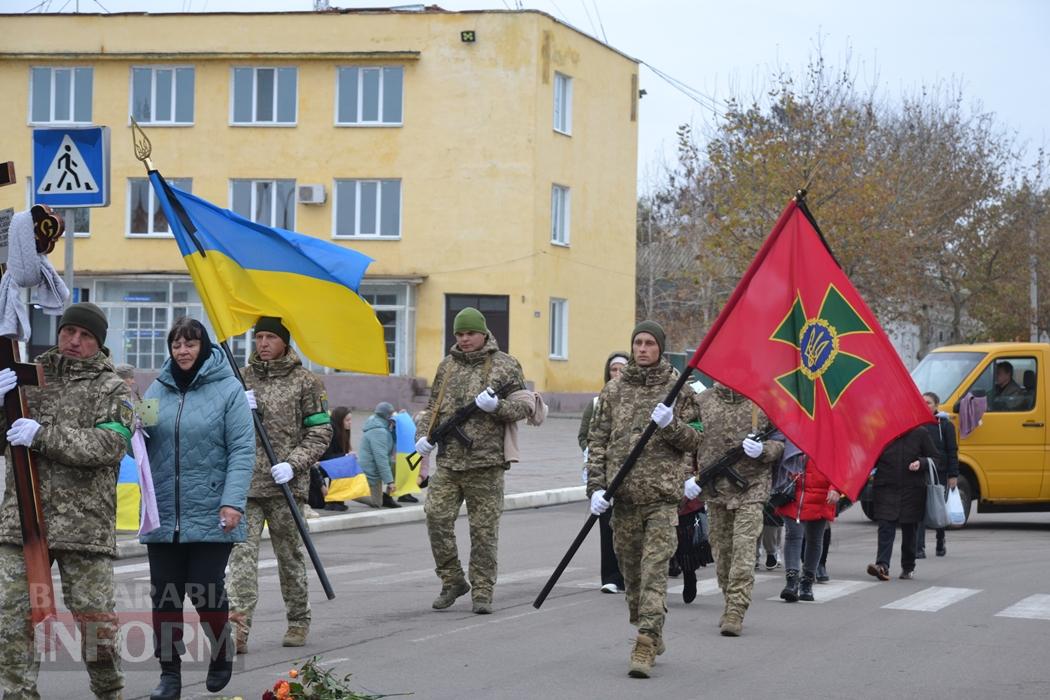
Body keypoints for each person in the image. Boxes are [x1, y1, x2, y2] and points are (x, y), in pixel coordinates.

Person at [0, 303, 131, 699]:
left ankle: (110, 691)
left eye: (85, 335)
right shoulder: (28, 376)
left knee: (97, 627)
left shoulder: (112, 389)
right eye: (68, 331)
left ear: (99, 343)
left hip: (84, 527)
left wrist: (43, 435)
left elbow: (109, 445)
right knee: (10, 620)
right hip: (22, 518)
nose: (74, 341)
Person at [140, 317, 255, 699]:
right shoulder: (157, 389)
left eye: (190, 344)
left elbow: (242, 450)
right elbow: (142, 441)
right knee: (166, 596)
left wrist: (232, 500)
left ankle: (222, 649)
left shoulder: (228, 390)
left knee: (205, 589)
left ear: (203, 347)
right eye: (176, 345)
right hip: (164, 513)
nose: (183, 351)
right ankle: (169, 675)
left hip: (212, 510)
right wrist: (129, 424)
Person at [587, 320, 701, 678]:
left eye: (649, 343)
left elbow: (696, 439)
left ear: (660, 348)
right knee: (631, 574)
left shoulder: (678, 390)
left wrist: (672, 425)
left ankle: (646, 641)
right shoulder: (614, 390)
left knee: (653, 571)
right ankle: (648, 624)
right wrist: (595, 490)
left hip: (662, 499)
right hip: (623, 499)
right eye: (637, 342)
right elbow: (598, 442)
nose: (642, 348)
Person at [227, 317, 333, 652]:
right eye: (258, 337)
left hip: (286, 484)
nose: (262, 343)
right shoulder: (240, 378)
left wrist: (293, 463)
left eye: (270, 336)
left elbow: (320, 432)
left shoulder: (306, 382)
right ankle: (238, 628)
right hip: (246, 484)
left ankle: (299, 620)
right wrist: (237, 409)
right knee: (242, 560)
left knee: (290, 556)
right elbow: (222, 424)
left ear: (284, 341)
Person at [414, 307, 528, 616]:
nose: (464, 340)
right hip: (449, 461)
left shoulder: (506, 365)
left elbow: (524, 408)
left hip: (487, 463)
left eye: (469, 334)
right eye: (459, 334)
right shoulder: (447, 366)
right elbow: (432, 407)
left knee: (483, 531)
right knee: (435, 517)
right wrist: (423, 436)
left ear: (483, 333)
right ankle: (452, 580)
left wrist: (496, 407)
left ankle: (482, 590)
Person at [696, 383, 784, 637]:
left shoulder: (762, 401)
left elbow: (781, 441)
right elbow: (686, 441)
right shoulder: (702, 401)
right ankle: (729, 598)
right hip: (715, 491)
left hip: (752, 488)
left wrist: (765, 450)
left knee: (744, 550)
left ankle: (736, 609)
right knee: (722, 553)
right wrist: (687, 478)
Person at [578, 351, 628, 594]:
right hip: (606, 472)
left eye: (622, 369)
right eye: (613, 370)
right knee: (607, 523)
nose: (617, 374)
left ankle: (631, 573)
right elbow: (585, 435)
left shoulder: (635, 399)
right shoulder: (597, 402)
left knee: (631, 525)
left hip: (633, 473)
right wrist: (592, 452)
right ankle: (610, 576)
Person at [866, 427, 940, 581]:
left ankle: (908, 566)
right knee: (885, 527)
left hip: (912, 490)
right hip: (886, 487)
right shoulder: (882, 431)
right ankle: (882, 565)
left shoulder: (920, 433)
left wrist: (921, 463)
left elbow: (936, 459)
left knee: (909, 530)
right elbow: (869, 457)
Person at [774, 442, 840, 603]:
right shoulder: (794, 432)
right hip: (792, 494)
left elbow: (841, 466)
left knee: (815, 539)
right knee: (793, 535)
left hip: (821, 495)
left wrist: (836, 488)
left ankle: (807, 582)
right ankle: (791, 582)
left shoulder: (830, 438)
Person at [916, 391, 959, 558]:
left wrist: (953, 474)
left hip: (940, 472)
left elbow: (952, 451)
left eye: (928, 403)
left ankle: (940, 541)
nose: (925, 405)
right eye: (923, 402)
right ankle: (919, 547)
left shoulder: (946, 425)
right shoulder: (916, 422)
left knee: (938, 507)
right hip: (921, 471)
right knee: (919, 509)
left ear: (936, 405)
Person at [359, 402, 400, 508]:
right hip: (371, 472)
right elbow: (381, 459)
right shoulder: (379, 432)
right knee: (376, 502)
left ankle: (382, 496)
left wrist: (394, 427)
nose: (394, 415)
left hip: (373, 470)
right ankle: (349, 493)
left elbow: (392, 443)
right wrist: (390, 482)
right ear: (386, 416)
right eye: (391, 413)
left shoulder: (379, 425)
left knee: (396, 465)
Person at [321, 406, 353, 511]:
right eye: (347, 420)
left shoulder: (344, 431)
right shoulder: (331, 431)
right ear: (340, 420)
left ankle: (338, 499)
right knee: (342, 462)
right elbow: (325, 457)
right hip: (318, 465)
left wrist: (347, 456)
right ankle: (333, 500)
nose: (350, 423)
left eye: (351, 420)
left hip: (331, 463)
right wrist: (345, 456)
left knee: (344, 462)